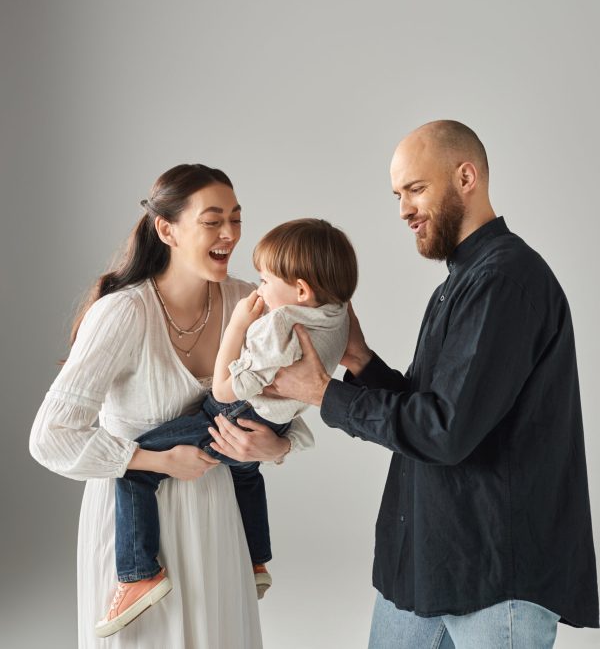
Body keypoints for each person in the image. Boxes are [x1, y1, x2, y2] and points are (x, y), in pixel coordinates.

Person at [267, 121, 599, 648]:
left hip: (494, 580)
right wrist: (360, 361)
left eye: (416, 189)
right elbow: (434, 409)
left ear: (466, 177)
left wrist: (322, 393)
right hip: (426, 566)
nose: (403, 209)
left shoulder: (505, 281)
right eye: (398, 194)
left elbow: (444, 431)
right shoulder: (464, 283)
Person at [29, 163, 314, 649]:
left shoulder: (251, 302)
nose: (229, 234)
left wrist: (274, 446)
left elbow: (294, 397)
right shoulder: (123, 313)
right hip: (136, 525)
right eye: (212, 220)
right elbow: (50, 436)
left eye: (236, 219)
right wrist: (156, 460)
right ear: (167, 230)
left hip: (216, 511)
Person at [103, 218, 357, 637]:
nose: (257, 290)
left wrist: (238, 323)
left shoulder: (279, 326)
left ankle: (138, 573)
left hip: (233, 411)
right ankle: (256, 559)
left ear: (300, 291)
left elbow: (223, 389)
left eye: (265, 280)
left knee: (133, 464)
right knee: (245, 471)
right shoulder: (337, 312)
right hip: (273, 418)